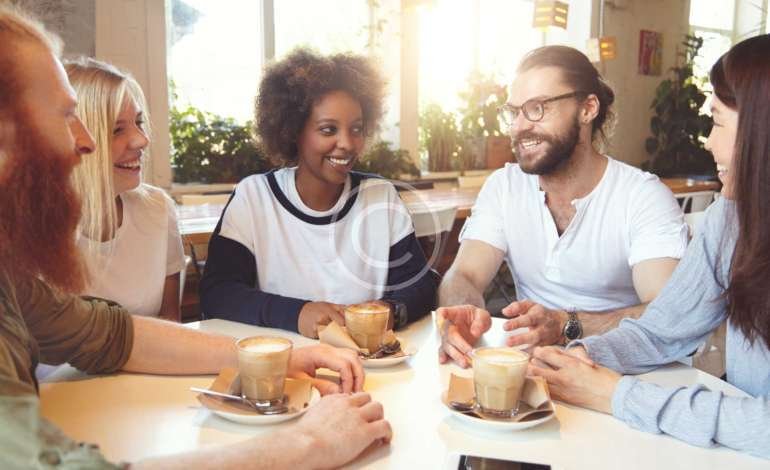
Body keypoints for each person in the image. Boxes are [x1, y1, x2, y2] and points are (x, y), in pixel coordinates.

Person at [0, 7, 390, 468]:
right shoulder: (254, 197)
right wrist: (308, 446)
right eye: (66, 115)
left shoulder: (11, 283)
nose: (83, 141)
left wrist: (286, 357)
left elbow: (109, 334)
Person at [529, 34, 770, 459]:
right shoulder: (729, 224)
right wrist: (582, 356)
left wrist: (616, 395)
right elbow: (662, 331)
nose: (707, 142)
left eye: (716, 122)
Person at [437, 45, 688, 367]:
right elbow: (464, 275)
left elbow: (668, 313)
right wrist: (464, 311)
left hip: (624, 375)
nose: (518, 127)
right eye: (513, 112)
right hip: (535, 372)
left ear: (587, 109)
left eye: (537, 108)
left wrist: (566, 325)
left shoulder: (642, 196)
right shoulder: (504, 187)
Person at [200, 48, 437, 338]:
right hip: (287, 370)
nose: (347, 143)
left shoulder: (380, 196)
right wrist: (298, 313)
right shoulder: (255, 198)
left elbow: (422, 285)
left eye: (356, 129)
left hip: (367, 369)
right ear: (293, 131)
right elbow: (218, 295)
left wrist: (390, 309)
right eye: (328, 130)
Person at [66, 57, 186, 321]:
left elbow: (170, 324)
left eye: (139, 123)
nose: (141, 140)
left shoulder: (157, 208)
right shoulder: (28, 231)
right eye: (116, 129)